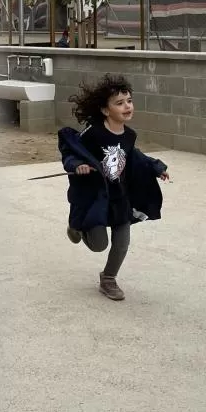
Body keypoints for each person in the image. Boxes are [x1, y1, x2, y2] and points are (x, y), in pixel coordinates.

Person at [58, 74, 170, 302]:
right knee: (99, 245)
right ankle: (77, 227)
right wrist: (77, 165)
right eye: (119, 103)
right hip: (95, 198)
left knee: (122, 243)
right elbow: (72, 151)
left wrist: (156, 167)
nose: (127, 106)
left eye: (129, 100)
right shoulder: (93, 133)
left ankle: (108, 278)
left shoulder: (130, 135)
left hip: (120, 197)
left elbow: (134, 156)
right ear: (106, 110)